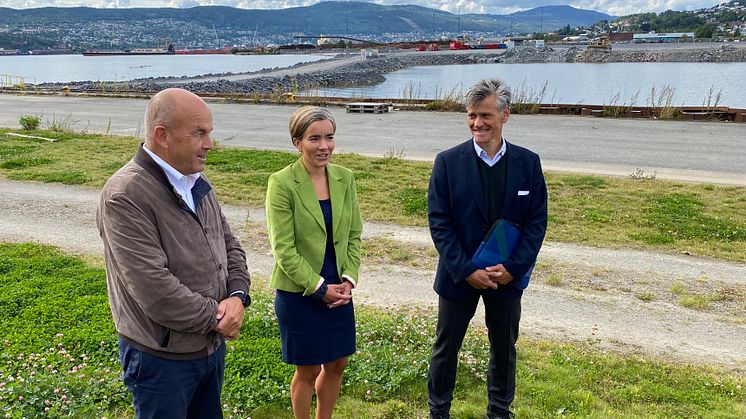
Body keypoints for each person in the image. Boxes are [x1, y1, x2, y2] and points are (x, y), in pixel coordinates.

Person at [96, 88, 251, 418]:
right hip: (162, 360)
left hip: (208, 349)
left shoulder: (194, 180)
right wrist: (219, 319)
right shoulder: (126, 195)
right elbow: (156, 291)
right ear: (162, 136)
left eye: (209, 132)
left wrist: (238, 297)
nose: (210, 143)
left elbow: (230, 246)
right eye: (199, 133)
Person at [426, 78, 548, 419]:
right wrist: (466, 270)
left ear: (504, 115)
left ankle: (499, 411)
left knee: (504, 350)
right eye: (471, 116)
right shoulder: (448, 162)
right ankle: (439, 412)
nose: (477, 123)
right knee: (446, 349)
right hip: (459, 276)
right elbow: (439, 222)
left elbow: (537, 222)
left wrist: (514, 268)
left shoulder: (528, 163)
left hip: (507, 277)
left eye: (485, 115)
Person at [265, 106, 362, 419]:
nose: (324, 146)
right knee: (307, 369)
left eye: (329, 137)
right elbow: (283, 249)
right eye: (314, 138)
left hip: (339, 287)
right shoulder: (281, 183)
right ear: (297, 142)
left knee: (337, 363)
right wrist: (319, 288)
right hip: (301, 291)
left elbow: (354, 236)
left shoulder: (345, 179)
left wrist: (348, 279)